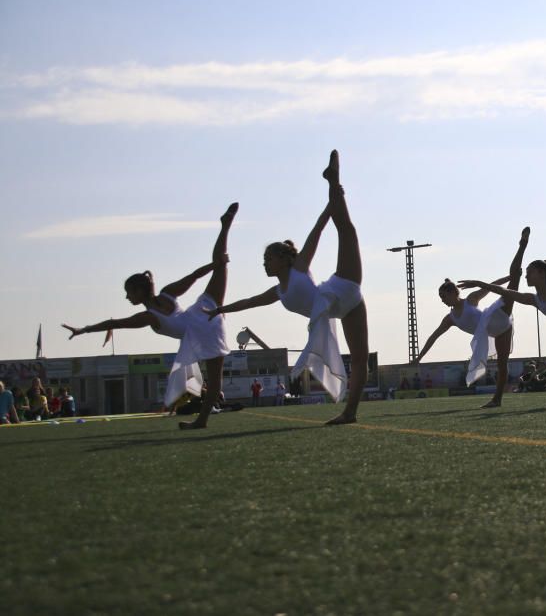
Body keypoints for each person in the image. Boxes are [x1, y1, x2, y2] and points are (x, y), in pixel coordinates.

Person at [206, 150, 367, 425]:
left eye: (269, 259)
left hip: (343, 289)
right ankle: (333, 183)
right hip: (337, 310)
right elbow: (250, 301)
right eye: (264, 260)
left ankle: (333, 181)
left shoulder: (300, 268)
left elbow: (317, 230)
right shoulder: (278, 292)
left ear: (284, 259)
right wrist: (221, 308)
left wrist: (333, 202)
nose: (265, 264)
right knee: (358, 358)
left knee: (346, 229)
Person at [64, 203, 238, 429]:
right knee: (220, 268)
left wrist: (83, 330)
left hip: (201, 329)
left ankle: (202, 421)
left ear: (138, 291)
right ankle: (224, 228)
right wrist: (214, 264)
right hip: (203, 313)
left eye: (129, 293)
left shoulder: (148, 316)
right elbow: (194, 275)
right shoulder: (167, 293)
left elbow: (114, 323)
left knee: (215, 378)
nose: (127, 298)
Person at [460, 183, 546, 407]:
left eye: (530, 272)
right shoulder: (534, 299)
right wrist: (480, 283)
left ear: (542, 273)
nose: (526, 276)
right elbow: (506, 291)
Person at [412, 227, 531, 408]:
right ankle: (496, 400)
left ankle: (522, 245)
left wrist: (508, 277)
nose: (442, 300)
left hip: (498, 317)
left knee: (513, 284)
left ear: (453, 293)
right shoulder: (450, 318)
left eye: (443, 296)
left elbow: (491, 286)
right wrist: (419, 358)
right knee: (502, 363)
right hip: (497, 332)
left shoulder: (471, 299)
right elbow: (433, 337)